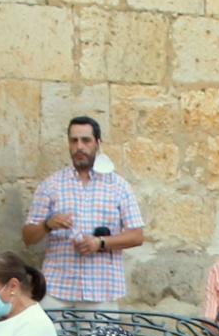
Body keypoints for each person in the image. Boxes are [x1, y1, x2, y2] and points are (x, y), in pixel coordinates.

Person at [22, 113, 144, 313]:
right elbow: (27, 237)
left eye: (85, 140)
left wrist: (100, 243)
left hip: (102, 290)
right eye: (74, 140)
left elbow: (137, 236)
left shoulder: (119, 186)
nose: (79, 147)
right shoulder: (50, 185)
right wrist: (47, 225)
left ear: (97, 143)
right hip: (56, 289)